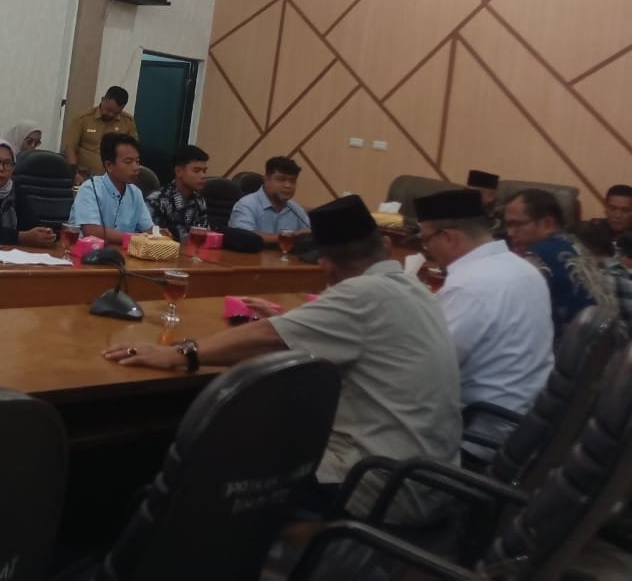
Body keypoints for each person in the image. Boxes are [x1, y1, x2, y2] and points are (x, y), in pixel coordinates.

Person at [105, 195, 461, 523]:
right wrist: (295, 322)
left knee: (206, 472)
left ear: (325, 265)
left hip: (378, 485)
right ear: (385, 246)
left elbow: (267, 337)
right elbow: (347, 329)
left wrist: (176, 354)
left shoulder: (362, 294)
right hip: (432, 478)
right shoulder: (415, 289)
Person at [414, 188, 553, 418]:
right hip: (527, 414)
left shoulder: (469, 285)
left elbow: (427, 366)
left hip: (483, 423)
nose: (426, 248)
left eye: (425, 240)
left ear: (448, 237)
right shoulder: (525, 268)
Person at [504, 188, 614, 339]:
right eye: (508, 225)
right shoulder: (575, 244)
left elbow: (511, 316)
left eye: (517, 224)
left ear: (548, 223)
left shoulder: (536, 258)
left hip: (561, 349)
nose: (510, 233)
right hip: (599, 347)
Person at [68, 133, 153, 244]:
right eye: (128, 162)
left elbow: (148, 230)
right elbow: (92, 231)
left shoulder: (135, 193)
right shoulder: (90, 189)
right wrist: (136, 238)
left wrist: (157, 234)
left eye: (137, 161)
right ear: (109, 165)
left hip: (123, 253)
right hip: (90, 252)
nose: (136, 167)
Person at [228, 155, 311, 245]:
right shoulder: (246, 204)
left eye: (292, 181)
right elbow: (244, 236)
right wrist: (290, 237)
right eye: (281, 179)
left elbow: (309, 235)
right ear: (266, 179)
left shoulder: (296, 209)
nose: (288, 185)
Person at [62, 86, 138, 184]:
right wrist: (74, 174)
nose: (111, 114)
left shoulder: (127, 122)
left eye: (115, 113)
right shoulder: (83, 119)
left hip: (114, 179)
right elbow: (70, 147)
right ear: (103, 100)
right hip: (84, 177)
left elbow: (133, 150)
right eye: (108, 110)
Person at [146, 144, 210, 243]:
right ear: (178, 171)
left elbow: (205, 234)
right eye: (196, 171)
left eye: (204, 171)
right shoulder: (157, 200)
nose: (203, 176)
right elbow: (149, 236)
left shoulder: (199, 200)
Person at [593, 184, 632, 259]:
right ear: (605, 209)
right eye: (612, 209)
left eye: (625, 210)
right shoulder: (592, 230)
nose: (617, 215)